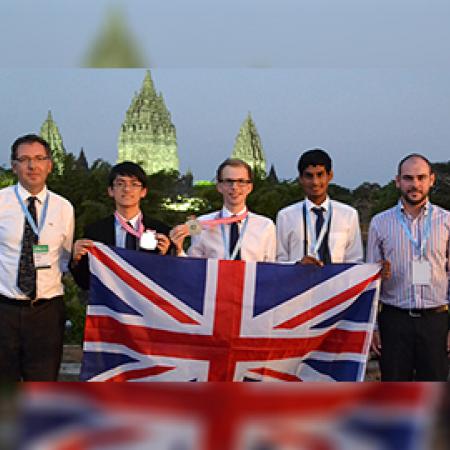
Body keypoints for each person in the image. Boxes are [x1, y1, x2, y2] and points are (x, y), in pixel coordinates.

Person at [367, 153, 449, 381]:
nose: (415, 184)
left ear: (432, 179)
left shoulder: (446, 221)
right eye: (408, 178)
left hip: (435, 320)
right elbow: (370, 282)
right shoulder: (379, 223)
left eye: (421, 177)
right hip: (395, 321)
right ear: (397, 181)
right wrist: (373, 327)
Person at [0, 134, 74, 381]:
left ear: (50, 165)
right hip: (4, 309)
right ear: (14, 166)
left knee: (43, 387)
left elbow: (64, 258)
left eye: (39, 158)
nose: (33, 166)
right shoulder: (1, 202)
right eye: (25, 159)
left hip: (46, 312)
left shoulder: (64, 208)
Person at [70, 161, 171, 290]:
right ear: (111, 191)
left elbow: (168, 279)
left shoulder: (161, 231)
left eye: (134, 184)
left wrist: (166, 256)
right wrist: (76, 260)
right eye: (120, 184)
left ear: (143, 192)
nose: (127, 189)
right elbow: (85, 283)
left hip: (147, 306)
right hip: (111, 305)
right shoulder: (95, 232)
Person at [170, 158, 276, 261]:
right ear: (219, 186)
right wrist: (179, 249)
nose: (234, 187)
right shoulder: (200, 224)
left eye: (241, 181)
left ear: (249, 187)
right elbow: (193, 269)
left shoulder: (265, 226)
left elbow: (271, 270)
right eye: (229, 181)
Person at [276, 149, 363, 265]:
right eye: (309, 176)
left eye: (320, 175)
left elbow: (355, 262)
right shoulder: (286, 216)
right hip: (299, 282)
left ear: (330, 175)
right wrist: (297, 265)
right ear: (301, 179)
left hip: (336, 282)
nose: (315, 182)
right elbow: (278, 262)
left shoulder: (348, 215)